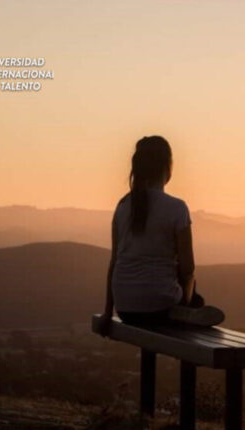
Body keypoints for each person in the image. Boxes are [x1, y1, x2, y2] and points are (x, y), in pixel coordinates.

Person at [96, 136, 224, 335]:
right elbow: (188, 269)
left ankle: (187, 310)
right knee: (193, 288)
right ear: (167, 167)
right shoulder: (177, 208)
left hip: (125, 309)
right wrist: (187, 301)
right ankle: (187, 311)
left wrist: (107, 313)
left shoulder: (122, 206)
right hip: (160, 307)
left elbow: (114, 263)